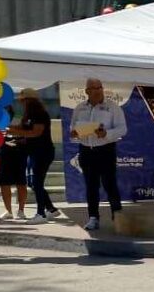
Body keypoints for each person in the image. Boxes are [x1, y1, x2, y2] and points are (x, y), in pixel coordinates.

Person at [70, 78, 127, 231]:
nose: (97, 91)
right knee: (91, 186)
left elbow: (122, 129)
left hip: (105, 149)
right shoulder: (80, 108)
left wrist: (106, 133)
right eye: (93, 88)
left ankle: (117, 216)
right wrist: (74, 132)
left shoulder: (112, 107)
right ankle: (93, 218)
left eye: (99, 88)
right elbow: (73, 127)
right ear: (86, 91)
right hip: (86, 150)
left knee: (109, 184)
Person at [7, 89, 59, 223]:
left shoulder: (40, 114)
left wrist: (14, 130)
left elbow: (36, 133)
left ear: (31, 100)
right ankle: (51, 209)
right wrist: (16, 139)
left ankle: (40, 213)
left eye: (24, 100)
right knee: (33, 182)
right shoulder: (27, 115)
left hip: (43, 152)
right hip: (33, 152)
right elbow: (26, 134)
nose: (22, 103)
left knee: (37, 182)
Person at [0, 105, 27, 221]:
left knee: (21, 182)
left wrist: (17, 141)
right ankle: (8, 211)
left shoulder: (19, 118)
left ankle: (21, 211)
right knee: (4, 182)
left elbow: (26, 136)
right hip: (4, 153)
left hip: (19, 153)